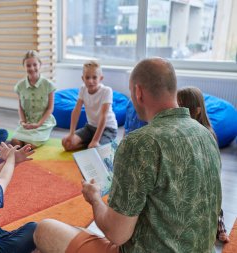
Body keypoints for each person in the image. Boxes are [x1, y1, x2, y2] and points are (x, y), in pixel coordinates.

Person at [34, 58, 222, 253]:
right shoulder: (206, 135)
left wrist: (95, 198)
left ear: (138, 92)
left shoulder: (139, 143)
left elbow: (116, 234)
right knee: (77, 232)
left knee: (44, 229)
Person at [177, 86, 230, 243]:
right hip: (191, 179)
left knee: (214, 205)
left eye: (181, 108)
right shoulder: (181, 129)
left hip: (206, 179)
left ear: (196, 111)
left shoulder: (205, 132)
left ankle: (220, 227)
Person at [62, 61, 117, 151]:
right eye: (87, 78)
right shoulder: (83, 89)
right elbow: (76, 111)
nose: (90, 81)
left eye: (94, 77)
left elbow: (103, 116)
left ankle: (96, 144)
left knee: (95, 151)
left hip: (108, 129)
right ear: (83, 78)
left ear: (101, 78)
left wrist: (95, 140)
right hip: (90, 128)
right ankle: (88, 144)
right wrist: (71, 134)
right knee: (66, 143)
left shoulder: (106, 91)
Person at [10, 50, 56, 148]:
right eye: (28, 65)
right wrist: (23, 122)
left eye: (35, 64)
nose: (32, 68)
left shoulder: (48, 85)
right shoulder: (20, 86)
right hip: (27, 123)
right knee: (15, 142)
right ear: (24, 66)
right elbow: (20, 108)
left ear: (40, 64)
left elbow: (50, 109)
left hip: (43, 123)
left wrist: (38, 124)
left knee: (28, 145)